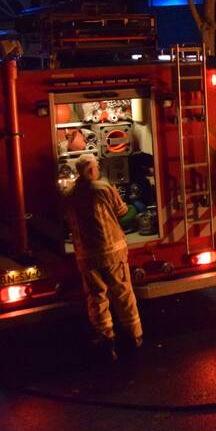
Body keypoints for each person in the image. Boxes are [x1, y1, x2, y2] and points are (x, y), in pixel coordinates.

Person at [63, 154, 142, 362]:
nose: (98, 169)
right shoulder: (104, 188)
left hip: (87, 257)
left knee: (97, 298)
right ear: (91, 170)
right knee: (123, 293)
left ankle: (107, 339)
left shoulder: (69, 193)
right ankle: (134, 337)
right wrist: (136, 207)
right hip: (112, 253)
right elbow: (123, 212)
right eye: (96, 166)